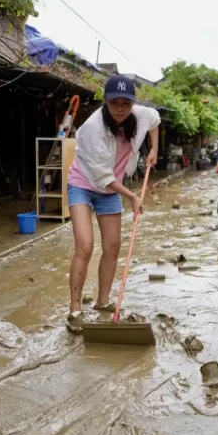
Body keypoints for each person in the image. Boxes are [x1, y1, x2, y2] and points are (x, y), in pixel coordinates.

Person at [66, 75, 161, 319]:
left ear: (132, 104)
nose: (120, 109)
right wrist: (133, 197)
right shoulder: (92, 129)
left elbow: (154, 120)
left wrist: (154, 149)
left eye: (126, 104)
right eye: (114, 103)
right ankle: (75, 309)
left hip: (110, 189)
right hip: (84, 184)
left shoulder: (137, 115)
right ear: (106, 102)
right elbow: (103, 178)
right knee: (85, 245)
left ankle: (103, 302)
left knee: (113, 246)